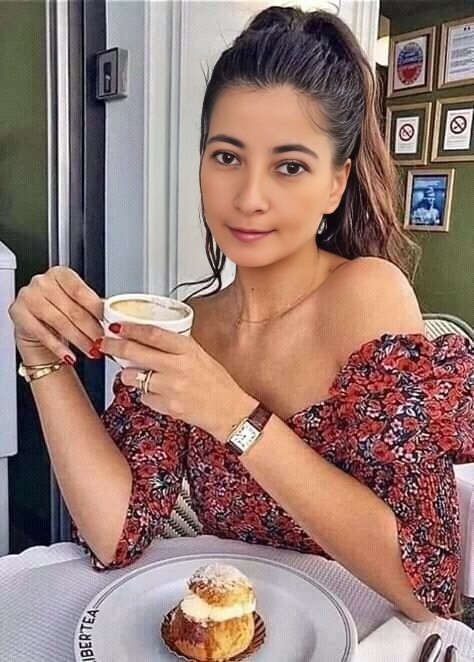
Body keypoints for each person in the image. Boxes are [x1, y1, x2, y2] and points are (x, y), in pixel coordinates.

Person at [8, 6, 472, 624]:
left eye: (290, 166)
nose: (250, 198)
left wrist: (232, 415)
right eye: (227, 157)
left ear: (335, 184)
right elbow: (116, 533)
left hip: (363, 633)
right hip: (239, 629)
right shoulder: (192, 324)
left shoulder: (367, 296)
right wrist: (43, 360)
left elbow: (425, 587)